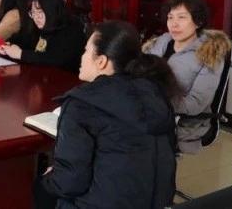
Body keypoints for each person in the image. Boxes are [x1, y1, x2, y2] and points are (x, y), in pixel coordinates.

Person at [34, 21, 177, 209]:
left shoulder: (81, 104)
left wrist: (48, 179)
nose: (82, 56)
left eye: (86, 51)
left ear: (101, 61)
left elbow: (70, 182)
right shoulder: (155, 93)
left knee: (39, 189)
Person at [144, 0, 231, 154]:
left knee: (122, 136)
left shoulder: (209, 54)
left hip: (183, 122)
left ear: (198, 22)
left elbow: (196, 103)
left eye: (182, 17)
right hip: (147, 110)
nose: (174, 24)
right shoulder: (161, 42)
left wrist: (152, 102)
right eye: (170, 17)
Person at [0, 0, 86, 72]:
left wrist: (21, 54)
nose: (36, 17)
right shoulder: (39, 26)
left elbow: (54, 59)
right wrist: (8, 45)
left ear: (52, 11)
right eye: (33, 12)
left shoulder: (71, 31)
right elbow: (23, 39)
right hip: (39, 76)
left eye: (40, 12)